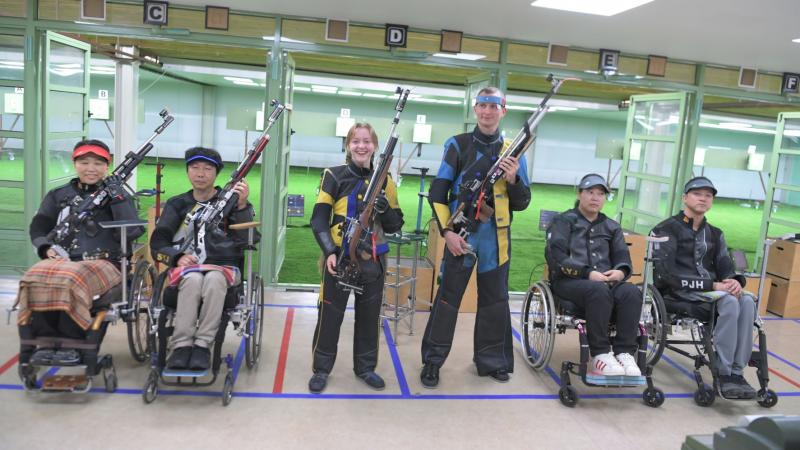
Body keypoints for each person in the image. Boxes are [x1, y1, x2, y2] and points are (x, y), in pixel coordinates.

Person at [420, 87, 531, 388]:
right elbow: (438, 193)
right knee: (447, 301)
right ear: (475, 109)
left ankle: (493, 361)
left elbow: (522, 202)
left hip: (497, 242)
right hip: (462, 237)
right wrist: (447, 234)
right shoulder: (457, 145)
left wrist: (514, 179)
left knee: (495, 302)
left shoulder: (514, 150)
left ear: (503, 111)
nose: (487, 111)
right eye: (482, 105)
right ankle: (432, 361)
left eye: (493, 106)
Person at [308, 122, 404, 393]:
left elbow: (396, 224)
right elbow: (318, 220)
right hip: (339, 257)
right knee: (329, 316)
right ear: (348, 146)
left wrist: (384, 209)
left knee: (369, 316)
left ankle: (365, 368)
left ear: (374, 146)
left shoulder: (386, 180)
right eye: (356, 141)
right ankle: (321, 369)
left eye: (367, 141)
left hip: (373, 260)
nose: (361, 146)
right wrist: (329, 251)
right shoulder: (333, 175)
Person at [20, 139, 144, 348]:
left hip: (107, 263)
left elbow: (132, 232)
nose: (91, 169)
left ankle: (73, 341)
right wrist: (45, 247)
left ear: (107, 165)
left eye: (98, 163)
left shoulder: (120, 196)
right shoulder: (58, 195)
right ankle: (41, 339)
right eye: (84, 162)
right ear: (74, 163)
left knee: (72, 277)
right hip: (64, 260)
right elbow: (39, 228)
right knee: (34, 276)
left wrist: (118, 197)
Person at [150, 147, 257, 371]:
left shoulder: (231, 202)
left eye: (207, 169)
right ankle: (181, 346)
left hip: (224, 268)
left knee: (214, 280)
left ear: (216, 173)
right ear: (188, 171)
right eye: (195, 168)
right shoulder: (177, 204)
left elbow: (248, 240)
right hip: (188, 269)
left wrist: (242, 206)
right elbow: (158, 242)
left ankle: (202, 345)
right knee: (193, 281)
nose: (201, 174)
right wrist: (177, 257)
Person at [651, 176, 757, 399]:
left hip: (713, 292)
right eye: (698, 194)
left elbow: (725, 265)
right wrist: (714, 285)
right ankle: (724, 371)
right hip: (678, 294)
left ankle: (737, 371)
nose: (703, 198)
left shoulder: (715, 234)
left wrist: (734, 281)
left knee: (746, 300)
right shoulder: (665, 229)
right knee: (728, 301)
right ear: (685, 198)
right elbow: (666, 276)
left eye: (708, 195)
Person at [545, 173, 643, 377]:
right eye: (590, 192)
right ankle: (600, 353)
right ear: (580, 194)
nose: (595, 197)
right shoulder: (563, 221)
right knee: (597, 290)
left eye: (600, 194)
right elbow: (556, 257)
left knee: (631, 292)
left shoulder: (612, 226)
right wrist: (587, 273)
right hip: (569, 282)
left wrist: (620, 271)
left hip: (605, 283)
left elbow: (623, 258)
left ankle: (625, 351)